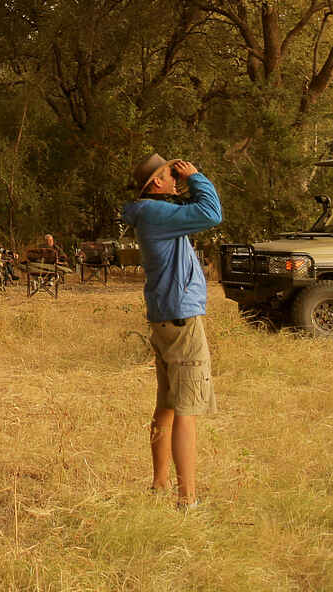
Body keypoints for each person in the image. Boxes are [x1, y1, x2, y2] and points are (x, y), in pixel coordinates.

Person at [121, 152, 223, 509]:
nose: (176, 177)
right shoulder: (158, 214)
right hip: (182, 320)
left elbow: (191, 208)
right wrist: (196, 176)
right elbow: (212, 213)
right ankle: (187, 498)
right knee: (186, 410)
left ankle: (160, 484)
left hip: (165, 317)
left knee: (165, 406)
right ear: (156, 184)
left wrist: (186, 184)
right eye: (170, 174)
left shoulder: (151, 212)